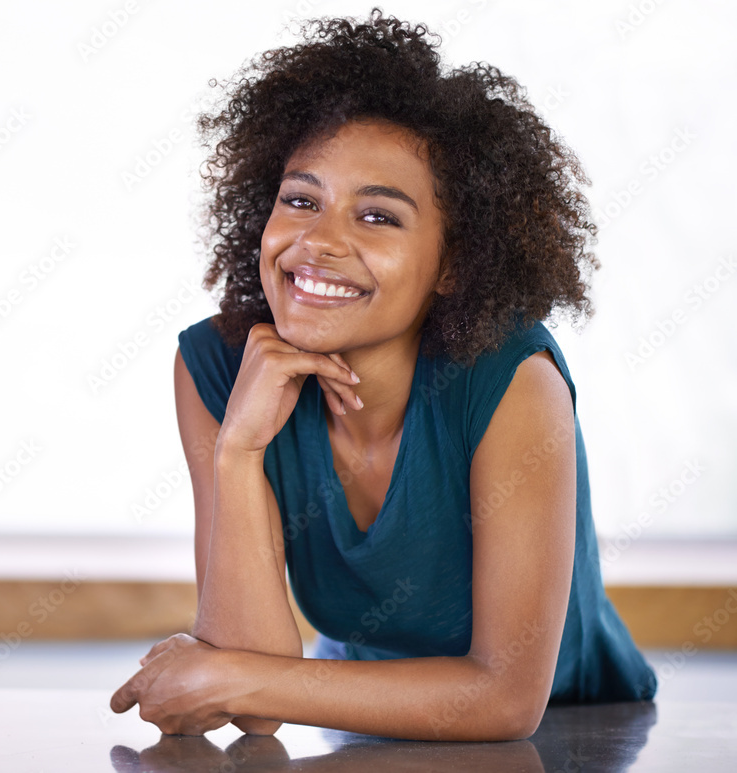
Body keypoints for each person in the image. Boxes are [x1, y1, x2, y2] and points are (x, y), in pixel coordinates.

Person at [110, 9, 656, 741]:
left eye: (378, 217)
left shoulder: (513, 379)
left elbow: (503, 699)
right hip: (357, 718)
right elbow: (260, 709)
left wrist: (230, 673)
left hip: (579, 729)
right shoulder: (217, 368)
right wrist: (238, 452)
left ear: (455, 263)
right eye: (300, 200)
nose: (317, 241)